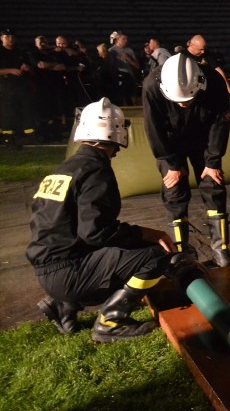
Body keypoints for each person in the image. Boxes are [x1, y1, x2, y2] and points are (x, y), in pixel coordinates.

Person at [27, 98, 176, 342]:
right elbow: (95, 233)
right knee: (154, 255)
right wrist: (147, 234)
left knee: (119, 248)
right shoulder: (96, 170)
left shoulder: (65, 168)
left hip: (47, 269)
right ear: (117, 133)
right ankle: (111, 322)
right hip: (68, 273)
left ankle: (64, 306)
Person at [142, 53, 230, 267]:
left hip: (203, 139)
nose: (183, 104)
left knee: (214, 184)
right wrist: (171, 165)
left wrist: (213, 161)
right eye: (178, 101)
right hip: (171, 144)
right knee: (174, 190)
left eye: (188, 99)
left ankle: (221, 249)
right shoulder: (151, 86)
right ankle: (181, 253)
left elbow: (220, 123)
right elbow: (153, 129)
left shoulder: (214, 82)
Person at [0, 28, 37, 147]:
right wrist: (10, 70)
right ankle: (8, 137)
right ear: (2, 38)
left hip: (22, 86)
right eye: (7, 36)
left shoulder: (20, 52)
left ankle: (30, 136)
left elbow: (32, 70)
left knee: (26, 110)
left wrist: (27, 68)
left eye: (12, 37)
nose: (11, 39)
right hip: (5, 86)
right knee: (8, 112)